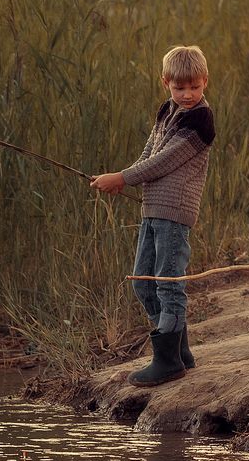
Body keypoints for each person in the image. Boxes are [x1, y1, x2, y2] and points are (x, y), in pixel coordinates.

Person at [91, 45, 215, 387]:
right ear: (165, 83)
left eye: (194, 87)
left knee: (168, 283)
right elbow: (150, 151)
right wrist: (122, 177)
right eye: (179, 87)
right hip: (152, 207)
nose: (187, 94)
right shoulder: (167, 109)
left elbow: (165, 161)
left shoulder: (200, 120)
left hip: (174, 211)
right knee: (142, 281)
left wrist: (123, 177)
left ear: (205, 81)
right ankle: (179, 352)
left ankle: (168, 362)